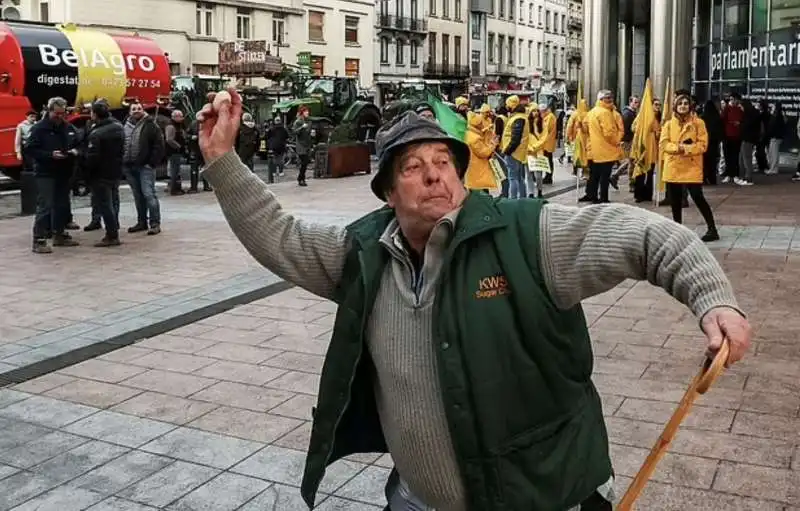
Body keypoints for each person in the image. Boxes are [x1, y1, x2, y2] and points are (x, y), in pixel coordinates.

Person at [196, 89, 751, 511]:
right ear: (389, 193)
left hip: (543, 499)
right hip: (415, 500)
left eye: (443, 162)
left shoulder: (529, 234)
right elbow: (279, 235)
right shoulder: (364, 255)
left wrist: (713, 299)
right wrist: (222, 159)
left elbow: (648, 236)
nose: (434, 175)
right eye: (412, 167)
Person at [660, 90, 719, 242]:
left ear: (691, 106)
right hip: (673, 165)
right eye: (680, 103)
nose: (683, 106)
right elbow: (664, 144)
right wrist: (677, 148)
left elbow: (703, 145)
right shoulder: (668, 124)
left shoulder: (698, 123)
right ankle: (677, 228)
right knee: (675, 199)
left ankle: (712, 228)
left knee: (697, 196)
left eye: (686, 103)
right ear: (675, 106)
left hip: (692, 165)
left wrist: (687, 149)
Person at [27, 97, 81, 253]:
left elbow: (78, 143)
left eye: (62, 113)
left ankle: (59, 234)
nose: (59, 116)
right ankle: (39, 239)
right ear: (49, 111)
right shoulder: (39, 128)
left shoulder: (68, 127)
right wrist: (50, 155)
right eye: (56, 113)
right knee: (45, 205)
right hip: (46, 172)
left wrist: (75, 152)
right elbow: (30, 149)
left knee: (61, 204)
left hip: (64, 172)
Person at [83, 100, 125, 247]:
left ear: (95, 114)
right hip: (115, 170)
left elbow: (92, 157)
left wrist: (85, 172)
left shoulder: (96, 133)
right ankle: (114, 230)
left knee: (105, 205)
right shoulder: (119, 127)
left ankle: (112, 234)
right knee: (113, 202)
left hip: (100, 173)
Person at [123, 102, 164, 235]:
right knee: (138, 196)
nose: (136, 111)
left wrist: (151, 163)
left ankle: (155, 223)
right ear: (129, 112)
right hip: (129, 166)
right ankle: (142, 222)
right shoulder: (125, 126)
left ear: (143, 110)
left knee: (148, 194)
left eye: (139, 108)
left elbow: (158, 145)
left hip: (145, 166)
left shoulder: (151, 125)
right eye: (133, 109)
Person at [581, 90, 623, 203]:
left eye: (611, 97)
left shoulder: (591, 112)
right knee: (604, 177)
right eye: (607, 98)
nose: (610, 100)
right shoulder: (605, 113)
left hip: (594, 151)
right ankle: (603, 198)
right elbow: (609, 133)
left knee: (594, 175)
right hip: (606, 150)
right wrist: (616, 141)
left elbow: (585, 128)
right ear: (601, 100)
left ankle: (593, 196)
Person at [632, 97, 662, 203]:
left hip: (653, 149)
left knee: (649, 173)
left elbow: (659, 133)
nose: (658, 107)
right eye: (656, 104)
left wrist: (657, 133)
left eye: (659, 105)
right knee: (640, 172)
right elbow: (634, 127)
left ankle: (648, 194)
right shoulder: (643, 115)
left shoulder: (659, 118)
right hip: (643, 148)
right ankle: (639, 195)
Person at [500, 95, 530, 199]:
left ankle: (513, 200)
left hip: (514, 153)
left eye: (507, 105)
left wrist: (507, 151)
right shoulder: (519, 117)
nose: (506, 107)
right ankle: (522, 197)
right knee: (519, 177)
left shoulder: (518, 118)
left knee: (512, 178)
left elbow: (515, 138)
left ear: (512, 105)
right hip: (518, 152)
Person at [463, 104, 498, 192]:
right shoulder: (474, 138)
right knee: (481, 195)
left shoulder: (470, 134)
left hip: (475, 171)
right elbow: (483, 153)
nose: (482, 125)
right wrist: (493, 145)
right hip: (478, 172)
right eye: (480, 123)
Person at [720, 93, 743, 183]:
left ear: (737, 100)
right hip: (727, 136)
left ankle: (735, 175)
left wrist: (739, 123)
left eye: (733, 99)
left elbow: (743, 120)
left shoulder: (740, 110)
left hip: (736, 136)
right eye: (731, 99)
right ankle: (728, 174)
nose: (732, 101)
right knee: (727, 156)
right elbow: (722, 119)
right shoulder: (727, 109)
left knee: (735, 156)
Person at [526, 104, 548, 198]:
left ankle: (539, 191)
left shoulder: (543, 124)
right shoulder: (526, 124)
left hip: (538, 152)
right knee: (529, 174)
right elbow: (524, 138)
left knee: (538, 175)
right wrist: (529, 148)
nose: (535, 113)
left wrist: (534, 147)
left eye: (536, 111)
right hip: (528, 152)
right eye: (533, 111)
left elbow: (544, 138)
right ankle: (530, 193)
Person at [736, 99, 759, 186]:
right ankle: (745, 177)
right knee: (742, 158)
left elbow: (747, 126)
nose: (741, 108)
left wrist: (740, 125)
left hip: (748, 139)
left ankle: (748, 178)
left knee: (746, 159)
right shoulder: (752, 114)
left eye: (741, 106)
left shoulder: (750, 115)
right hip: (747, 139)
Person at [701, 98, 724, 185]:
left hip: (705, 142)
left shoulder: (702, 118)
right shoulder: (717, 117)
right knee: (713, 162)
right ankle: (712, 179)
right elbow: (720, 131)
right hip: (714, 143)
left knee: (704, 162)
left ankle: (704, 178)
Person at [186, 118, 212, 192]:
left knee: (205, 169)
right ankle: (194, 187)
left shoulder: (208, 125)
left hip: (204, 150)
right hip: (195, 149)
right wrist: (191, 137)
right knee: (194, 169)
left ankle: (206, 186)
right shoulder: (193, 124)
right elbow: (186, 134)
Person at [164, 110, 187, 195]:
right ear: (174, 117)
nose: (181, 118)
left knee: (176, 171)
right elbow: (169, 139)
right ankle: (174, 189)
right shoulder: (171, 126)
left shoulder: (178, 125)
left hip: (176, 151)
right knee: (174, 171)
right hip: (173, 152)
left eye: (181, 116)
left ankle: (177, 188)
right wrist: (179, 147)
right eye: (179, 116)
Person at [292, 106, 312, 187]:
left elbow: (306, 133)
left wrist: (311, 133)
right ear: (302, 112)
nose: (307, 113)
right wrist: (301, 127)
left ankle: (302, 178)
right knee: (304, 162)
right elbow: (294, 131)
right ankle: (301, 179)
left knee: (305, 162)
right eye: (306, 111)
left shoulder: (307, 121)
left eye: (308, 111)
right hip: (301, 145)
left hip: (306, 144)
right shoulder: (298, 121)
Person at [266, 116, 290, 183]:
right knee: (281, 159)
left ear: (274, 121)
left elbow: (267, 137)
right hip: (281, 146)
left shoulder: (271, 129)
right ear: (280, 121)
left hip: (273, 146)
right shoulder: (283, 129)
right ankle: (281, 172)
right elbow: (287, 137)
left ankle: (273, 172)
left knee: (274, 159)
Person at [539, 102, 558, 184]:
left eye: (540, 112)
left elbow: (546, 130)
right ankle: (548, 176)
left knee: (548, 160)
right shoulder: (548, 116)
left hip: (548, 142)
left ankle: (548, 177)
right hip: (547, 142)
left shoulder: (549, 117)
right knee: (548, 159)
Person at [765, 101, 785, 176]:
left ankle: (773, 169)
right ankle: (773, 168)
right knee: (772, 153)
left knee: (774, 153)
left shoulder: (777, 116)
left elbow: (774, 127)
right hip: (775, 137)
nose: (772, 107)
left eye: (773, 106)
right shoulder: (777, 115)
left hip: (775, 137)